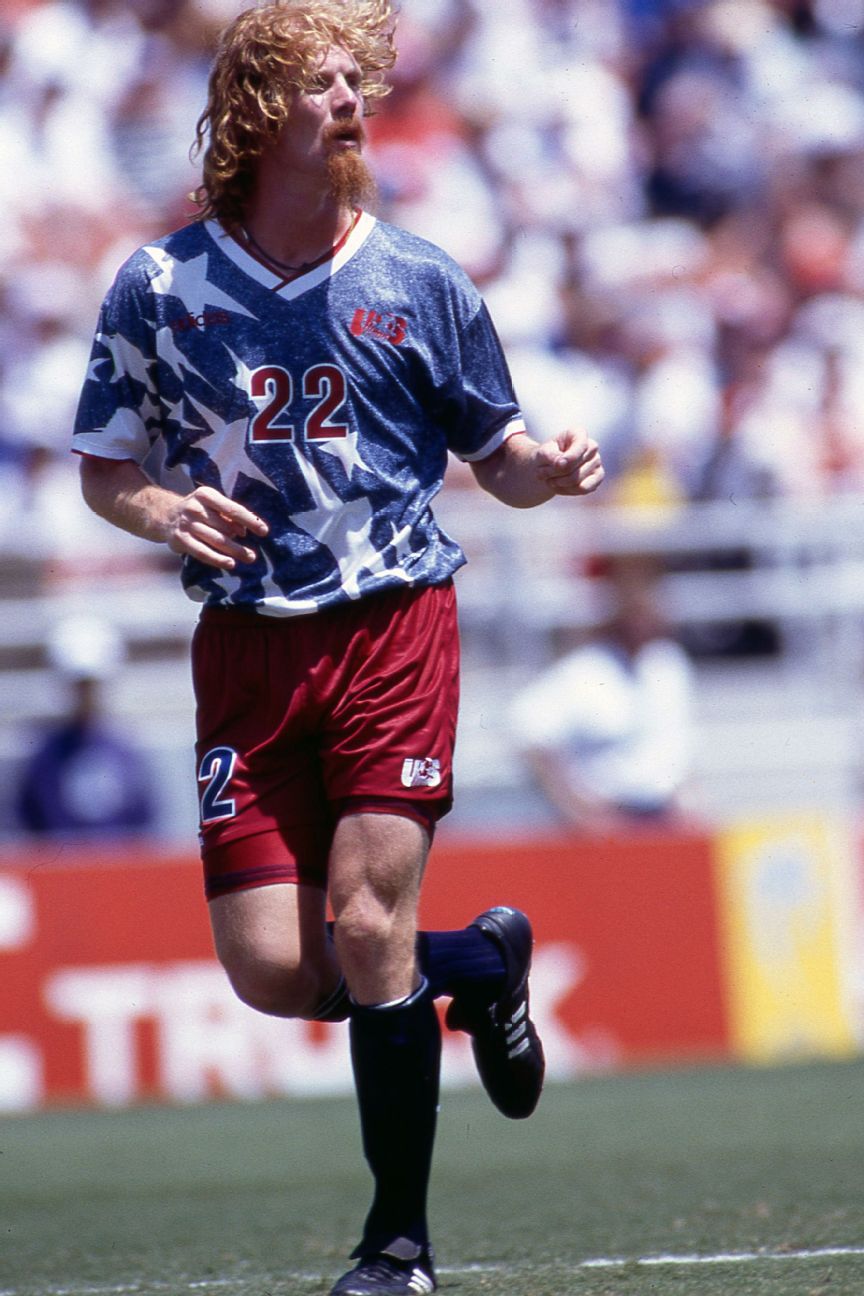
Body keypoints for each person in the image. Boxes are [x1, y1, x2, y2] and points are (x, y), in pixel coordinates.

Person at [71, 3, 604, 1292]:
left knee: (368, 921)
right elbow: (104, 473)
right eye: (323, 83)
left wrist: (548, 466)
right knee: (273, 971)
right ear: (261, 114)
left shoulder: (420, 277)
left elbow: (498, 455)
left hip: (392, 624)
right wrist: (163, 507)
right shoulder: (159, 284)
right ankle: (480, 964)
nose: (353, 99)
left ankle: (399, 1248)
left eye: (356, 79)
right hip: (244, 646)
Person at [510, 554, 695, 835]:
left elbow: (675, 747)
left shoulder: (669, 664)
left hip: (664, 816)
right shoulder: (585, 670)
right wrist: (578, 810)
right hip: (612, 819)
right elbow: (528, 733)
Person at [14, 614, 158, 838]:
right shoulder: (46, 756)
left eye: (90, 685)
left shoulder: (125, 751)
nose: (85, 695)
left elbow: (144, 824)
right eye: (79, 686)